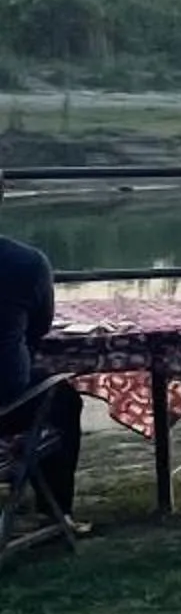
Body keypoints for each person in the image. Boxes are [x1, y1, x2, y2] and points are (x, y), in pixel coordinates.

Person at [0, 169, 85, 529]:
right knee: (62, 397)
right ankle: (54, 514)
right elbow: (38, 330)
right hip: (5, 402)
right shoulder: (25, 262)